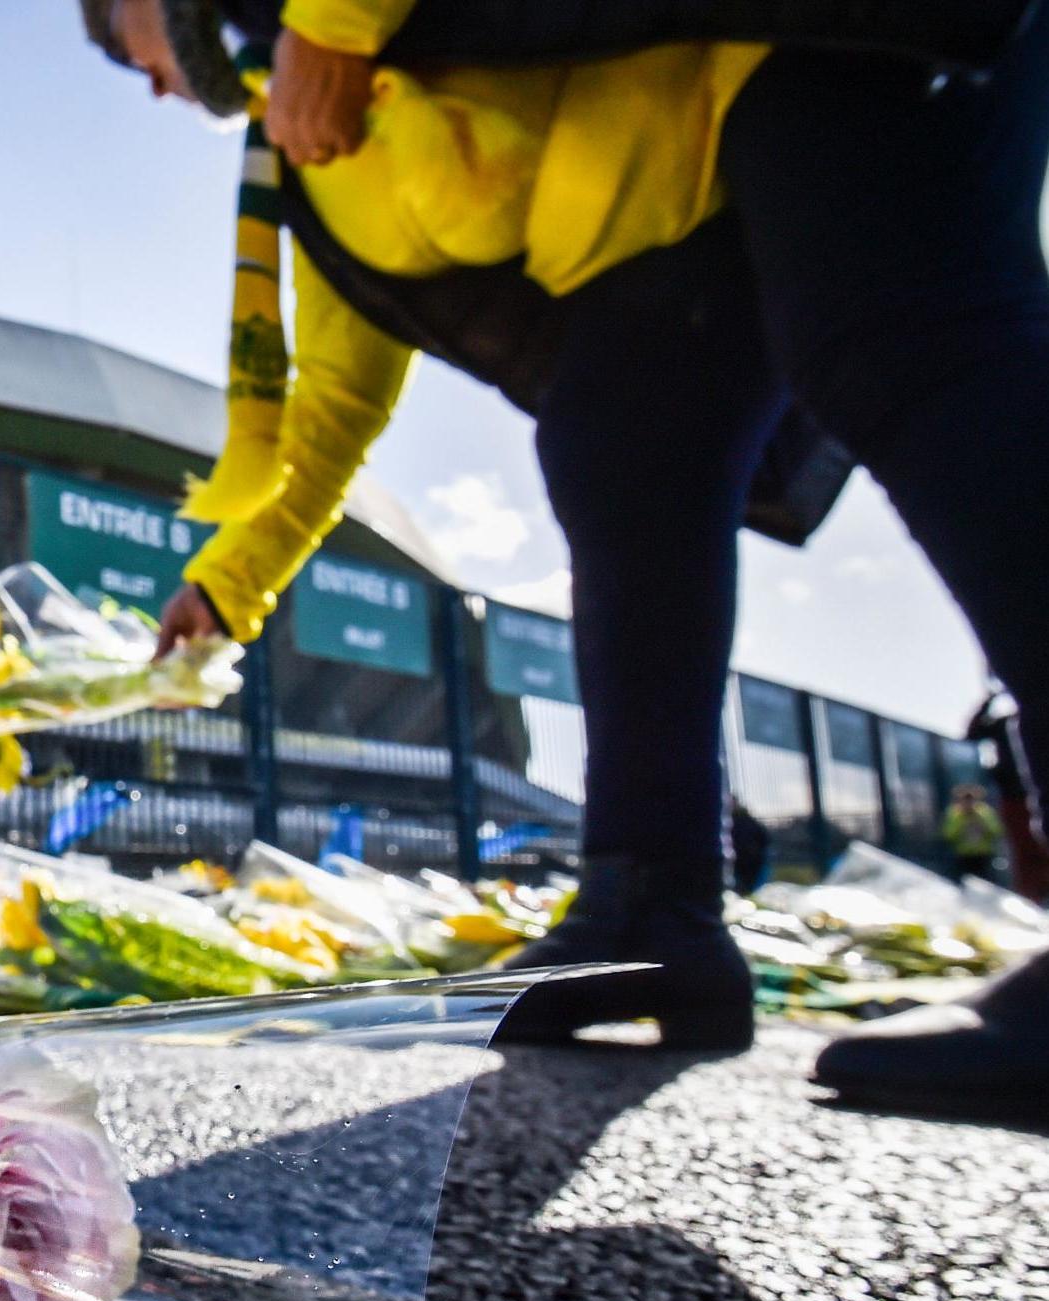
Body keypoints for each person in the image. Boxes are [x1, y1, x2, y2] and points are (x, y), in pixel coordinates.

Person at [81, 0, 1049, 1105]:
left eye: (123, 40)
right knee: (618, 444)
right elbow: (331, 415)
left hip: (791, 70)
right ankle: (653, 911)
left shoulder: (315, 42)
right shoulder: (304, 154)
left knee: (905, 337)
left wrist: (335, 24)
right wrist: (222, 585)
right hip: (684, 212)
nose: (149, 83)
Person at [967, 686, 1049, 900]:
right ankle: (1033, 901)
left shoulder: (1039, 716)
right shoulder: (1002, 724)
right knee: (1027, 854)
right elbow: (972, 733)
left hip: (1038, 791)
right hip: (1015, 796)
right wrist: (987, 703)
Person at [942, 785, 1006, 883]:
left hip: (983, 855)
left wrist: (981, 823)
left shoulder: (985, 812)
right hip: (962, 855)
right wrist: (962, 822)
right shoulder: (954, 814)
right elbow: (948, 834)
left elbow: (997, 831)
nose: (968, 803)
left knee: (986, 882)